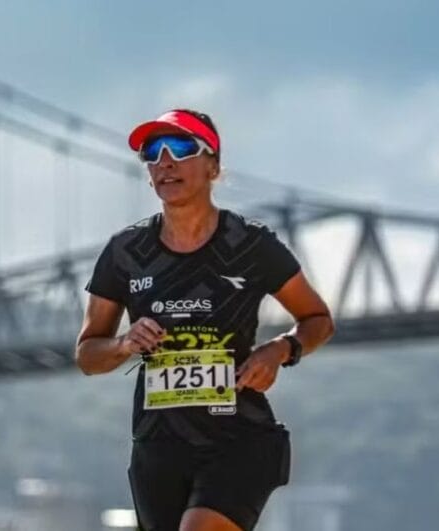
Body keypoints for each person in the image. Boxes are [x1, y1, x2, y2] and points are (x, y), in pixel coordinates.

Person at [75, 109, 336, 531]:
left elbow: (317, 318)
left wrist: (280, 349)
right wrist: (124, 344)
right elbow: (88, 355)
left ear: (213, 165)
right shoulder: (125, 251)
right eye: (151, 153)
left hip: (238, 437)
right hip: (158, 446)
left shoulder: (251, 244)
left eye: (179, 148)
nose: (164, 161)